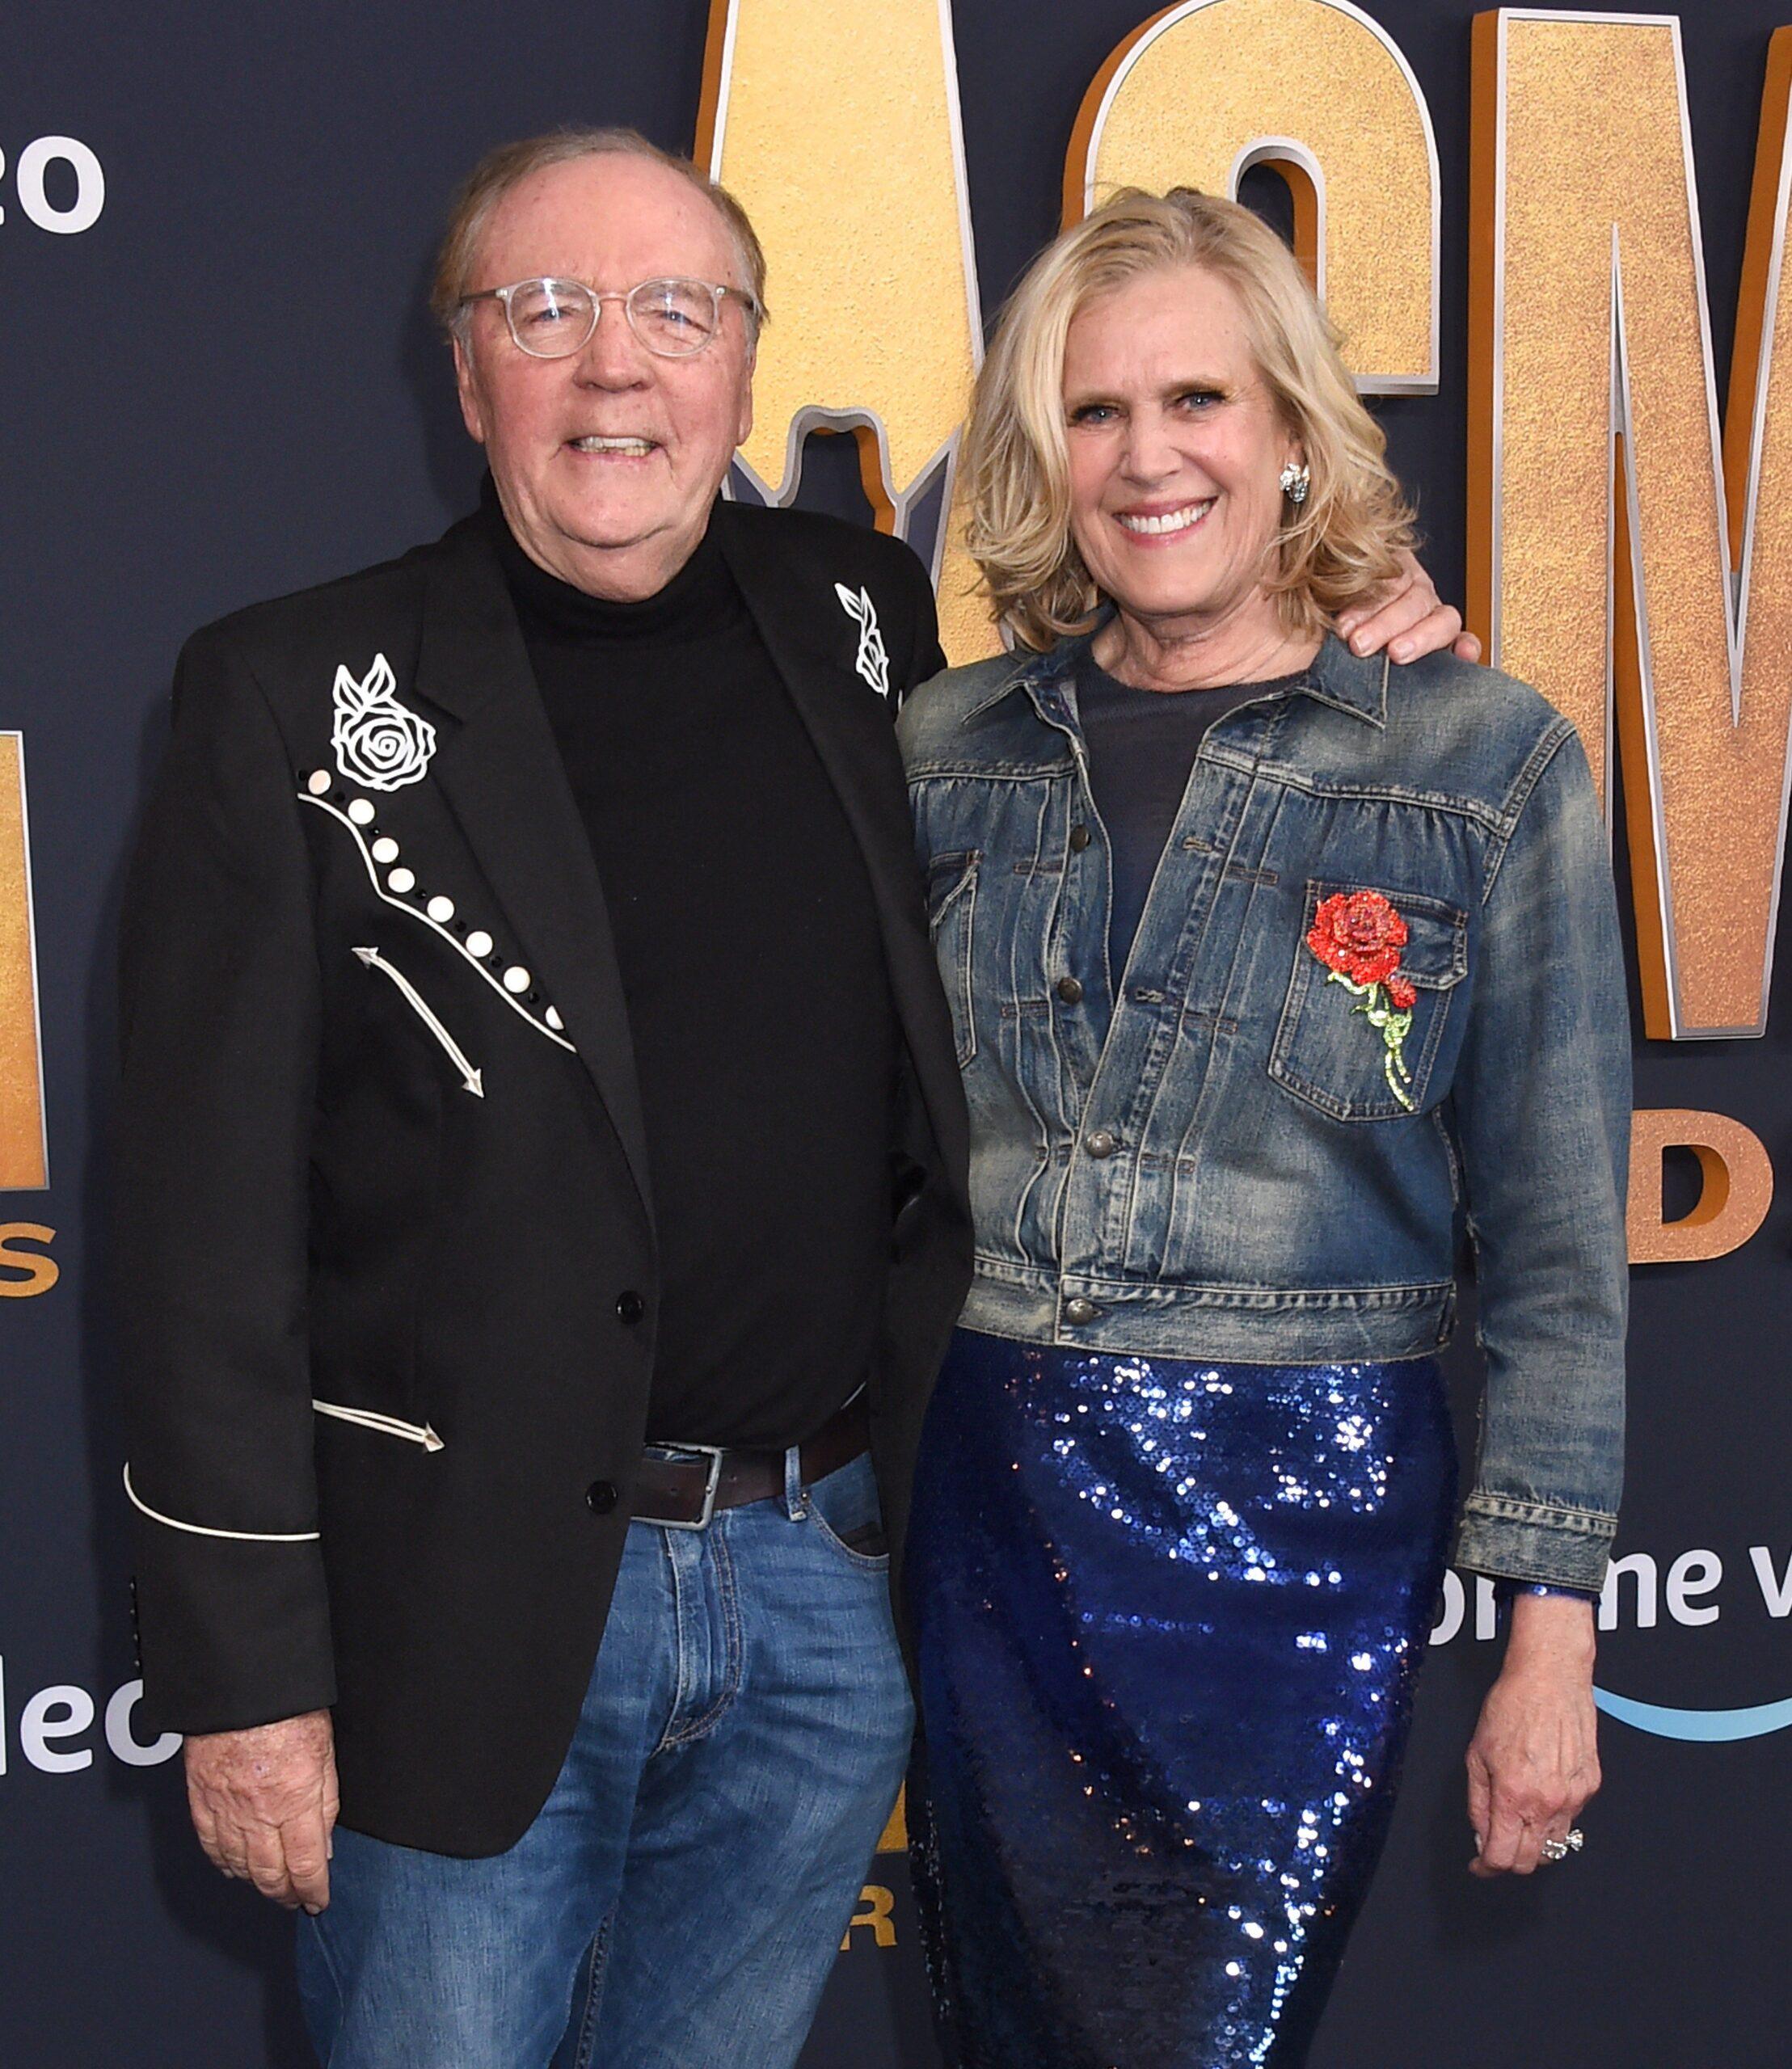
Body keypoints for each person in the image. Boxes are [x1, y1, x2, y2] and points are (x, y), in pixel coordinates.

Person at [115, 129, 1469, 2067]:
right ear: (464, 359)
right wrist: (244, 1682)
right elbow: (197, 1237)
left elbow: (1138, 751)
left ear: (746, 358)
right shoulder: (288, 693)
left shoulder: (863, 623)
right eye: (547, 310)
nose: (614, 369)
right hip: (464, 1620)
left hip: (825, 1595)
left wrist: (1357, 636)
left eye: (676, 311)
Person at [896, 187, 1627, 2069]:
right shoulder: (940, 750)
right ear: (1039, 453)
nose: (1147, 458)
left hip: (1305, 1512)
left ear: (1291, 433)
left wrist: (1550, 1643)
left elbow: (1554, 1249)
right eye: (1092, 410)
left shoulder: (1479, 757)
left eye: (1198, 402)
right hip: (991, 1501)